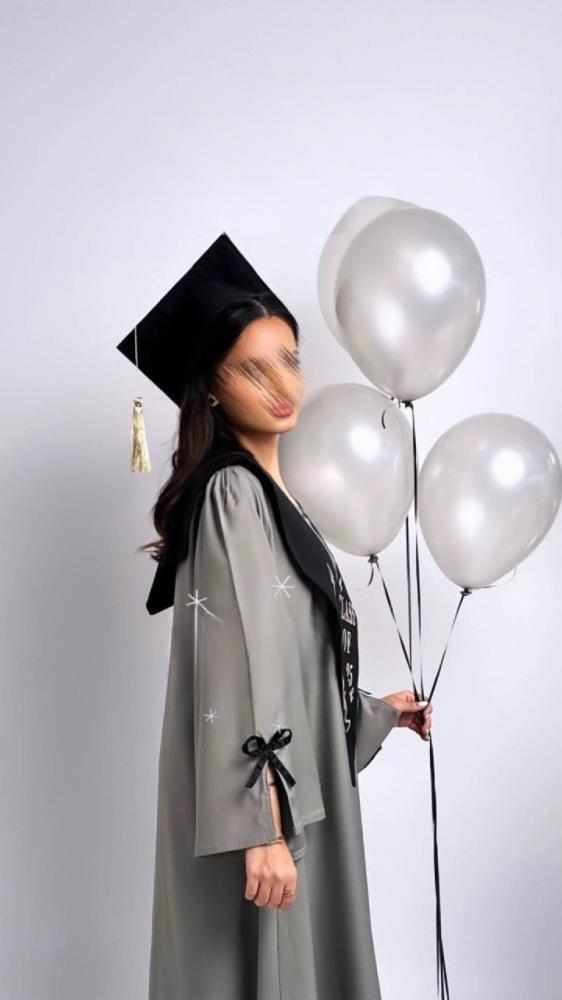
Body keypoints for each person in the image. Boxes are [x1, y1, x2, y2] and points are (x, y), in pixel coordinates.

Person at [116, 233, 432, 999]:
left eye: (289, 359)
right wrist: (262, 829)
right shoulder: (232, 496)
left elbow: (289, 656)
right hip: (270, 815)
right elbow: (239, 666)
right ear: (211, 390)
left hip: (289, 803)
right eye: (253, 369)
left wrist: (375, 713)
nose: (283, 384)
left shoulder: (271, 497)